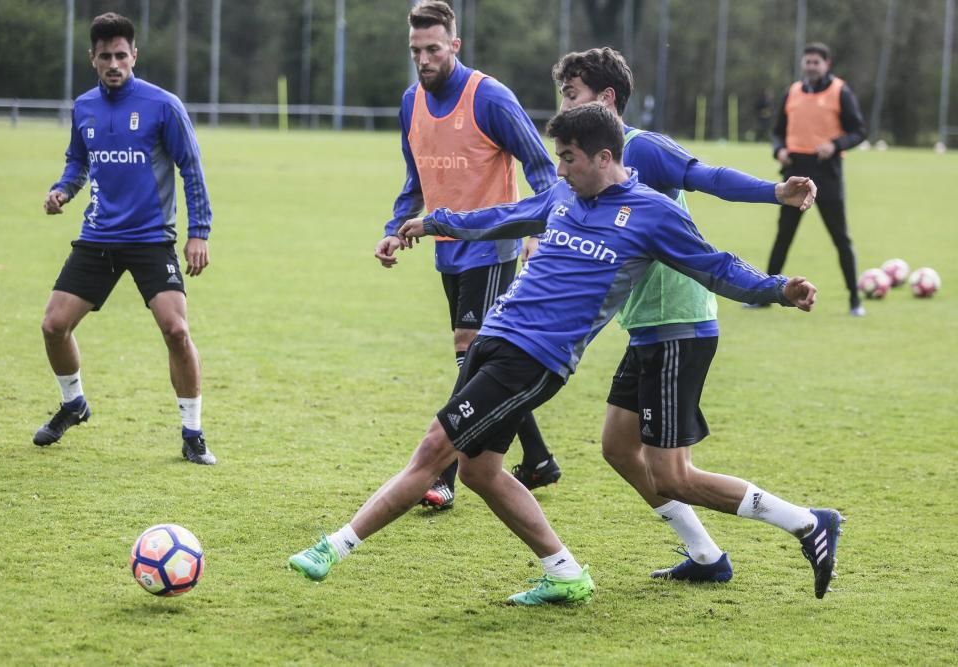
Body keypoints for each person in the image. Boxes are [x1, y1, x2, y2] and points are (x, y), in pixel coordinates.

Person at [288, 103, 823, 605]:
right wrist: (436, 222)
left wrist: (778, 288)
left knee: (435, 451)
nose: (560, 171)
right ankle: (564, 572)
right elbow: (510, 215)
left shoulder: (652, 214)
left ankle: (335, 545)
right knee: (479, 472)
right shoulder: (564, 197)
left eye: (568, 159)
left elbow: (718, 266)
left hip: (535, 358)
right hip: (495, 336)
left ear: (604, 158)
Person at [552, 48, 822, 587]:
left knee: (672, 474)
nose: (563, 102)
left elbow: (708, 176)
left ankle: (811, 523)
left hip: (679, 318)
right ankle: (705, 556)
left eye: (571, 93)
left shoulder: (641, 149)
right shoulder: (582, 163)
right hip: (645, 324)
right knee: (617, 448)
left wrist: (774, 192)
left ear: (606, 99)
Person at [373, 1, 560, 509]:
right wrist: (394, 230)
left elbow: (542, 168)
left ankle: (444, 473)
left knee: (472, 346)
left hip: (494, 245)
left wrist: (539, 231)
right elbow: (416, 181)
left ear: (455, 45)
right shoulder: (410, 102)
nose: (424, 58)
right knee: (481, 359)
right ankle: (539, 459)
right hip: (446, 249)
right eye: (416, 50)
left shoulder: (490, 97)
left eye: (434, 48)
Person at [33, 12, 216, 465]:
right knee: (54, 326)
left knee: (176, 329)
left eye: (121, 55)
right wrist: (63, 190)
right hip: (98, 237)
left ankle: (192, 433)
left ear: (134, 55)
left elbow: (191, 168)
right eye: (105, 56)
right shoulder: (84, 108)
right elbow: (78, 163)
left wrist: (199, 233)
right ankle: (74, 403)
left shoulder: (162, 105)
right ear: (92, 59)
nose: (114, 63)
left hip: (153, 239)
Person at [764, 42, 867, 317]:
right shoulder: (792, 92)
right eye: (807, 61)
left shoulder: (840, 91)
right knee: (783, 236)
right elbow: (777, 132)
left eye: (816, 62)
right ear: (802, 64)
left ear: (827, 64)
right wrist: (779, 150)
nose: (811, 66)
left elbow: (859, 131)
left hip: (827, 172)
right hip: (795, 172)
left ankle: (855, 300)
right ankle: (762, 295)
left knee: (840, 238)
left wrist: (835, 144)